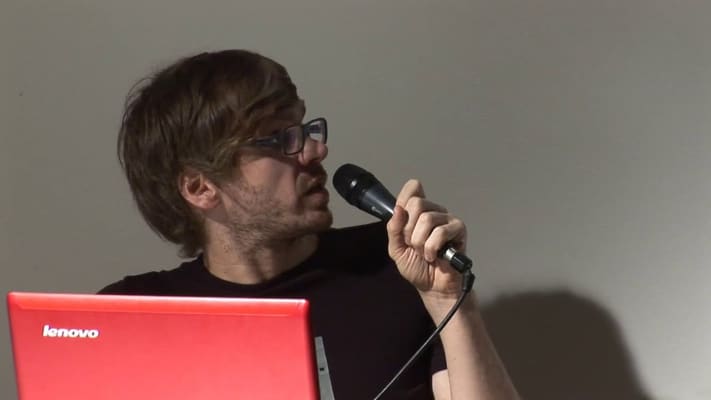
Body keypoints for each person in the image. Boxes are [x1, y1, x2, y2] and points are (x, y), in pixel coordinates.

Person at [100, 49, 520, 400]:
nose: (315, 150)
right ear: (200, 187)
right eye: (279, 138)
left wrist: (448, 301)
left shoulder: (399, 268)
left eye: (303, 128)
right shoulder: (133, 318)